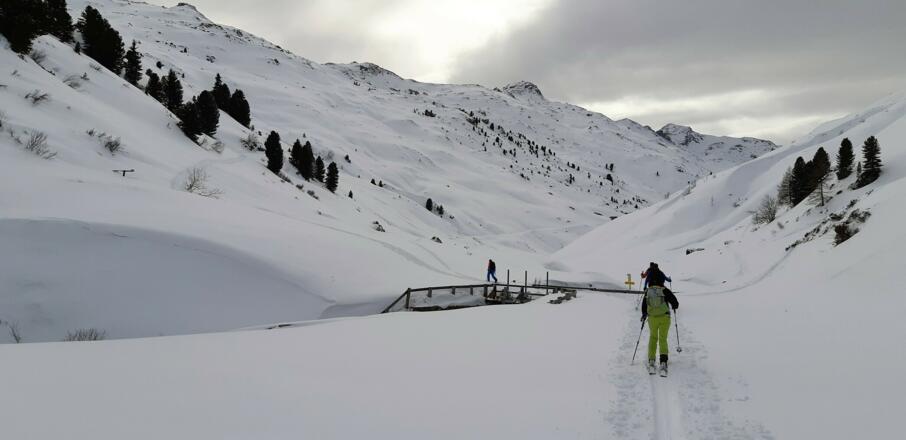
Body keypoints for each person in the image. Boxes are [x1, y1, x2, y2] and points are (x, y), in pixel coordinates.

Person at [640, 262, 678, 376]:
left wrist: (644, 314)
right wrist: (674, 306)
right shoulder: (664, 289)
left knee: (653, 338)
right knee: (663, 339)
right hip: (664, 317)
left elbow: (644, 306)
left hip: (652, 318)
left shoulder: (648, 290)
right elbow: (675, 303)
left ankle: (651, 360)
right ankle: (663, 361)